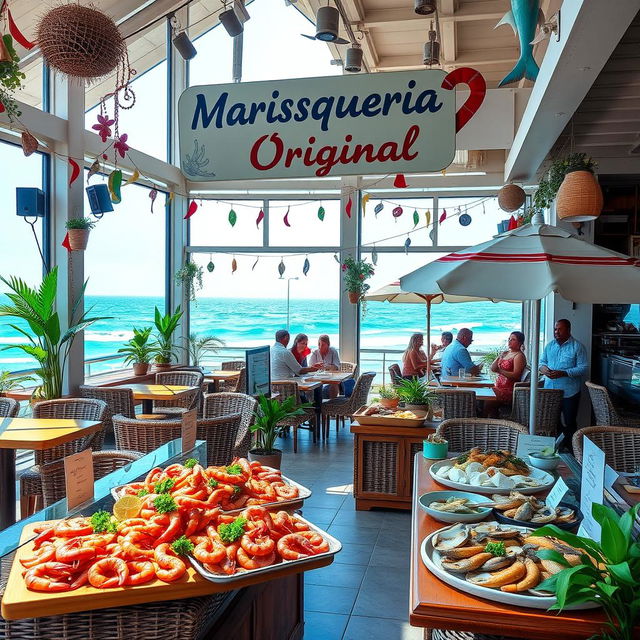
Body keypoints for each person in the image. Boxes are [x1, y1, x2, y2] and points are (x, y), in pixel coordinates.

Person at [539, 319, 588, 446]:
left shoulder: (577, 346)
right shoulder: (550, 345)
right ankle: (558, 446)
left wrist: (564, 373)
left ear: (568, 330)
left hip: (569, 392)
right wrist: (544, 369)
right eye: (556, 329)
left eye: (560, 329)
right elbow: (542, 362)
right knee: (552, 420)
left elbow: (583, 368)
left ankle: (572, 450)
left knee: (569, 421)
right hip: (550, 391)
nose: (557, 332)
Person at [491, 331, 527, 405]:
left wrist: (500, 371)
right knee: (484, 394)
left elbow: (516, 375)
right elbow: (492, 368)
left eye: (513, 339)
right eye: (509, 339)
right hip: (498, 387)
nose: (509, 341)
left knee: (488, 399)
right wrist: (499, 357)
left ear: (520, 343)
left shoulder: (519, 356)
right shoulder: (506, 353)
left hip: (508, 390)